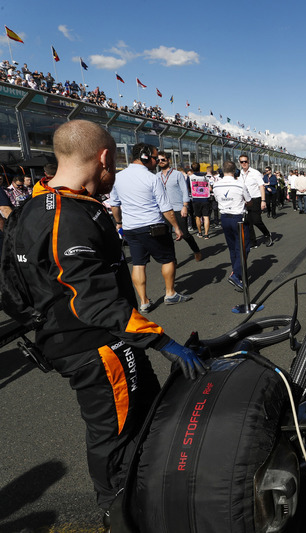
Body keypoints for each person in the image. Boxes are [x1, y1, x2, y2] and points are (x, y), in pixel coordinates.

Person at [3, 120, 207, 528]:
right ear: (104, 158)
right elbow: (92, 301)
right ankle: (122, 516)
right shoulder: (66, 215)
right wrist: (162, 339)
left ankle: (146, 499)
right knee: (117, 437)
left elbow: (11, 284)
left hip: (96, 341)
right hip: (97, 347)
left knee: (145, 412)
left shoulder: (33, 204)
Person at [108, 143, 192, 313]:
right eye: (154, 158)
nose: (156, 162)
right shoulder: (152, 178)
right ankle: (170, 293)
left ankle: (144, 301)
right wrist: (176, 226)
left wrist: (119, 223)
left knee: (138, 263)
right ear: (145, 157)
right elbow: (165, 207)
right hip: (153, 225)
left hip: (131, 228)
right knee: (167, 259)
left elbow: (114, 205)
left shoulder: (118, 177)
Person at [213, 160, 252, 291]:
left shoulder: (216, 185)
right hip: (238, 218)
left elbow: (218, 199)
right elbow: (249, 200)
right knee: (243, 247)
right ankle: (236, 274)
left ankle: (237, 274)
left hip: (224, 218)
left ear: (222, 171)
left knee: (232, 248)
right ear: (235, 171)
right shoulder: (239, 184)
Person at [156, 152, 202, 261]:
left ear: (169, 160)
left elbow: (184, 191)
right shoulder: (157, 176)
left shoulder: (177, 174)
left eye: (163, 159)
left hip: (178, 208)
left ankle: (196, 250)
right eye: (158, 160)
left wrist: (185, 206)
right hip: (164, 210)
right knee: (167, 237)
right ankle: (172, 260)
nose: (161, 162)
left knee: (185, 234)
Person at [239, 154, 272, 248]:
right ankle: (253, 242)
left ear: (248, 161)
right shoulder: (239, 174)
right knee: (248, 222)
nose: (244, 163)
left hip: (256, 199)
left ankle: (267, 234)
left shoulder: (255, 172)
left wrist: (263, 200)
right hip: (245, 201)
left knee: (256, 220)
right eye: (242, 162)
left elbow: (261, 186)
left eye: (245, 161)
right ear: (240, 163)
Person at [188, 162, 212, 239]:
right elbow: (209, 188)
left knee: (197, 216)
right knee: (206, 216)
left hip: (195, 198)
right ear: (200, 168)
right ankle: (206, 234)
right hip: (205, 198)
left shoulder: (190, 177)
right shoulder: (205, 178)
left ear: (192, 169)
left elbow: (188, 187)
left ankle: (199, 232)